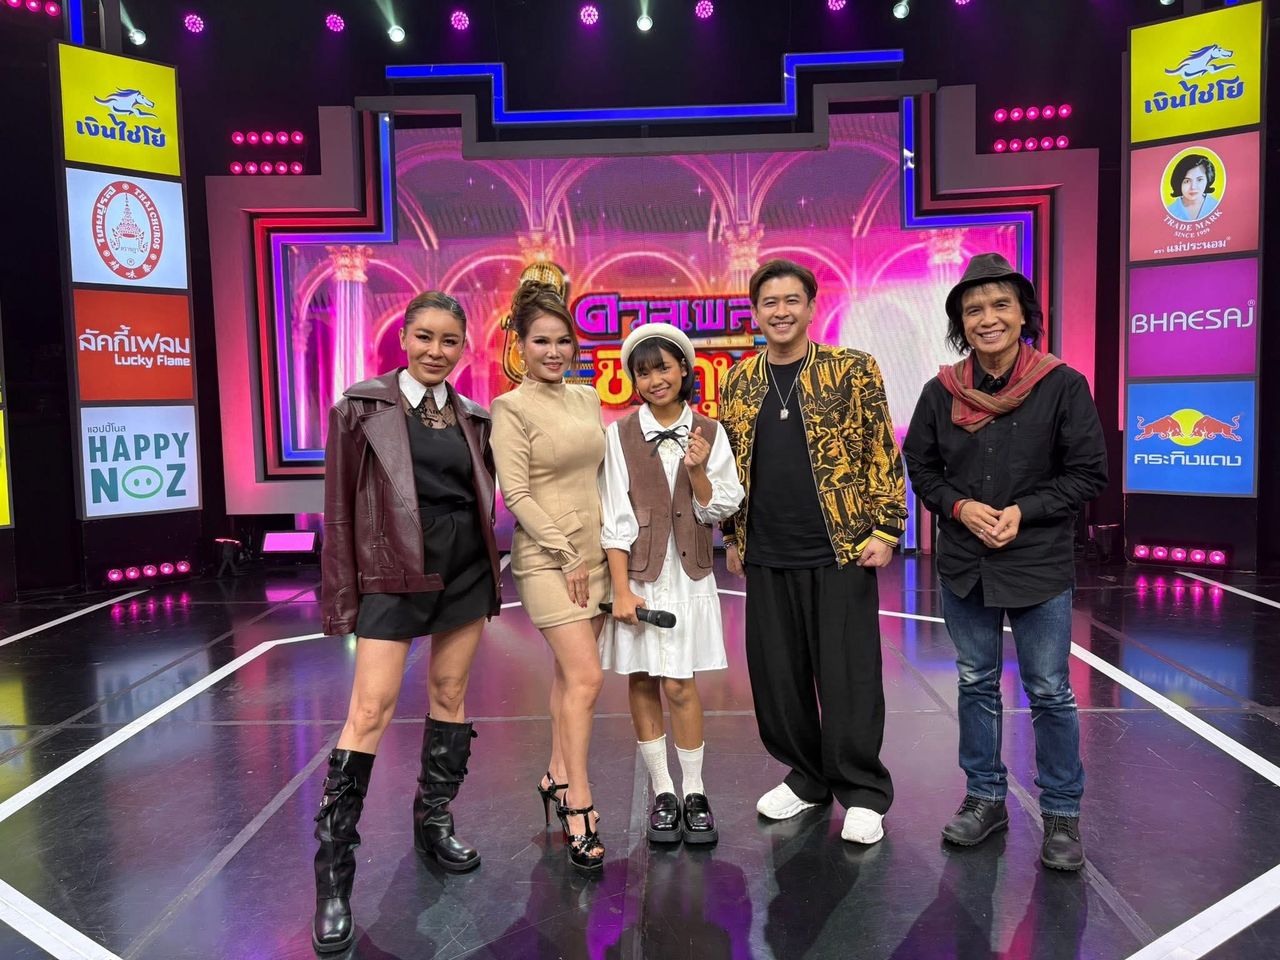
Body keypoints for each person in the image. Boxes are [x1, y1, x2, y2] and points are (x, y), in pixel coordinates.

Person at [902, 252, 1108, 871]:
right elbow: (922, 468)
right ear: (960, 323)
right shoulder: (941, 392)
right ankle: (985, 798)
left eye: (1000, 305)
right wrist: (960, 507)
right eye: (973, 310)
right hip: (965, 562)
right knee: (975, 682)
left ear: (1024, 315)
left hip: (1037, 561)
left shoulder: (1061, 385)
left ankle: (1062, 813)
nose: (987, 318)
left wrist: (1025, 510)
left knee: (1049, 690)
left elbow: (1088, 473)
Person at [315, 292, 502, 954]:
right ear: (404, 337)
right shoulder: (358, 408)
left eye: (449, 341)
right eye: (425, 337)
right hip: (391, 570)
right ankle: (333, 876)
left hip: (466, 569)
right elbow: (339, 511)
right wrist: (341, 599)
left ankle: (434, 821)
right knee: (370, 710)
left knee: (450, 694)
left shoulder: (473, 416)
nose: (436, 351)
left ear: (463, 348)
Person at [719, 258, 907, 845]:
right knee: (778, 677)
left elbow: (880, 449)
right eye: (769, 302)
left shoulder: (851, 369)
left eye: (791, 301)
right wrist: (732, 536)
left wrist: (886, 528)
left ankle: (863, 790)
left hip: (840, 547)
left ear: (809, 306)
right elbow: (730, 466)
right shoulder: (739, 380)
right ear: (756, 311)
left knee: (848, 675)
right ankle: (806, 778)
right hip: (766, 552)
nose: (780, 312)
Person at [599, 323, 744, 846]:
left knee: (681, 683)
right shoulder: (618, 435)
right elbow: (614, 516)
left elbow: (720, 506)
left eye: (662, 367)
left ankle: (695, 791)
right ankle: (663, 790)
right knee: (642, 679)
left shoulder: (711, 430)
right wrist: (621, 589)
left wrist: (699, 470)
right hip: (639, 576)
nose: (654, 379)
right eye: (643, 372)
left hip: (687, 574)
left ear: (684, 369)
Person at [490, 279, 611, 872]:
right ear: (520, 344)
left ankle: (556, 774)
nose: (554, 351)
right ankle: (578, 802)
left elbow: (599, 477)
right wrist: (565, 553)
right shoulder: (510, 409)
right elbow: (515, 492)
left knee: (569, 678)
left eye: (564, 341)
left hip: (596, 557)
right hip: (547, 560)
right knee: (587, 677)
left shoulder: (587, 398)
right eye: (541, 341)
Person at [1165, 153, 1220, 222]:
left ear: (1208, 179)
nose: (1193, 187)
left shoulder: (1218, 206)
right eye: (1187, 181)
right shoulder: (1170, 211)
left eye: (1199, 180)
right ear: (1179, 182)